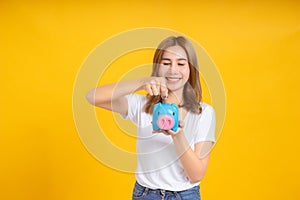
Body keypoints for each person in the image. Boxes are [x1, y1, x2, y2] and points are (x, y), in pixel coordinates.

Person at [86, 36, 216, 200]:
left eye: (181, 64)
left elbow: (196, 174)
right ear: (157, 67)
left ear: (191, 69)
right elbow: (92, 96)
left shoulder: (203, 113)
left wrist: (178, 136)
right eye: (166, 63)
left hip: (185, 195)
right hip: (145, 194)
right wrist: (141, 82)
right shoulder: (141, 106)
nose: (173, 70)